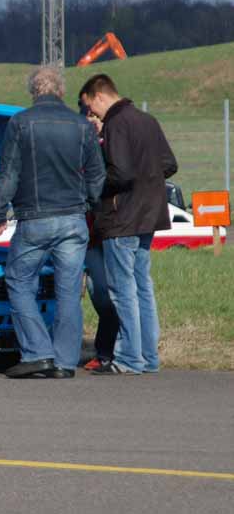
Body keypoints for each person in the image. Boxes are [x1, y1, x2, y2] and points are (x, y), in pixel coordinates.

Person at [0, 66, 105, 379]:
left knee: (18, 279)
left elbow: (9, 172)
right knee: (68, 292)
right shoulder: (82, 126)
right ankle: (65, 362)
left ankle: (38, 352)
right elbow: (97, 176)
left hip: (35, 219)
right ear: (61, 91)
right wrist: (91, 206)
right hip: (73, 220)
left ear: (34, 91)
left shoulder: (20, 123)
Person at [78, 74, 177, 375]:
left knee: (123, 290)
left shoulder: (116, 125)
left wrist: (93, 187)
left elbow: (120, 173)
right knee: (143, 287)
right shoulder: (147, 120)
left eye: (89, 107)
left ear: (99, 96)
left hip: (121, 218)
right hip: (149, 215)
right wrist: (147, 179)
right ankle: (148, 357)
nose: (90, 115)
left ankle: (130, 357)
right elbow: (169, 164)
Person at [77, 98, 120, 370]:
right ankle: (101, 351)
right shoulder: (78, 150)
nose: (93, 121)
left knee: (107, 294)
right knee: (96, 294)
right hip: (84, 233)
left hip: (106, 233)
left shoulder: (112, 149)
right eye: (88, 117)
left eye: (96, 117)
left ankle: (108, 351)